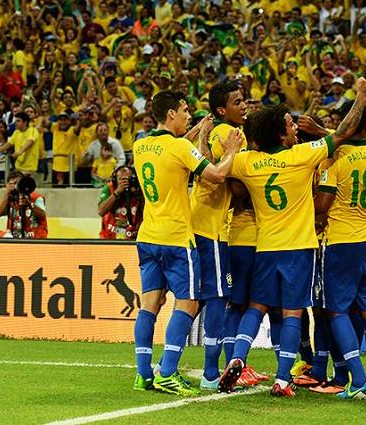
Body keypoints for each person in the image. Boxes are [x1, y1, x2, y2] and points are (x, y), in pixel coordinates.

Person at [218, 78, 366, 397]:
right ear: (279, 133)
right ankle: (283, 379)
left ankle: (237, 358)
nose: (295, 128)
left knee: (255, 307)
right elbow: (342, 134)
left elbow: (226, 172)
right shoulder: (301, 156)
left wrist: (230, 147)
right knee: (293, 313)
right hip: (299, 249)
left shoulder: (247, 162)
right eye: (290, 123)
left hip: (265, 248)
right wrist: (360, 98)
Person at [131, 90, 243, 396]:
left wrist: (197, 131)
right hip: (177, 239)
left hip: (147, 237)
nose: (187, 116)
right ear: (170, 114)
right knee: (189, 303)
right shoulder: (180, 147)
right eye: (184, 111)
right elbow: (219, 174)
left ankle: (143, 374)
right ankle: (167, 371)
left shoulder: (140, 144)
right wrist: (231, 150)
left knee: (150, 305)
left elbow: (174, 147)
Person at [314, 101, 366, 399]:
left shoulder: (335, 157)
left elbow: (322, 206)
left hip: (340, 241)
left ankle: (358, 379)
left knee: (336, 312)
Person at [186, 81, 260, 390]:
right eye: (238, 101)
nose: (244, 105)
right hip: (212, 226)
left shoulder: (213, 131)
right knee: (217, 298)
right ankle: (209, 372)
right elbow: (224, 179)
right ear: (222, 110)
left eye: (244, 100)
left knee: (197, 299)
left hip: (197, 223)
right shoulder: (232, 136)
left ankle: (168, 364)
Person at [0, 171, 48, 239]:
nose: (16, 186)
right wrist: (7, 193)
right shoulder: (10, 198)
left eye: (17, 183)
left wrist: (29, 203)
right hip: (15, 238)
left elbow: (42, 215)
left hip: (35, 239)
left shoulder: (36, 197)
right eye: (13, 183)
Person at [97, 165, 144, 240]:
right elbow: (101, 211)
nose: (124, 182)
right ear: (115, 180)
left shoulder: (139, 188)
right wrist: (117, 192)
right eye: (121, 179)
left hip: (134, 238)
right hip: (109, 238)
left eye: (128, 178)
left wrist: (137, 193)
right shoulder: (109, 188)